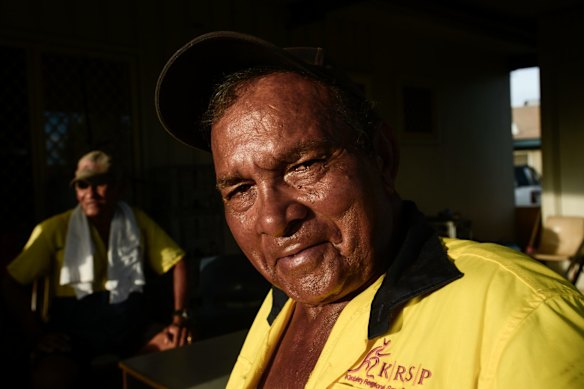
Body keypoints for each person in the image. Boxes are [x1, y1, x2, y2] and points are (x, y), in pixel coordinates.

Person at [155, 31, 584, 388]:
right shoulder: (280, 305)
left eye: (304, 165)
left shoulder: (522, 316)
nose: (272, 220)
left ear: (381, 158)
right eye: (240, 189)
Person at [1, 150, 194, 389]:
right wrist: (37, 336)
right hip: (73, 331)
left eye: (100, 183)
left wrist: (179, 317)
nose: (90, 193)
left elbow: (179, 262)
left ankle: (122, 373)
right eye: (82, 185)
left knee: (179, 344)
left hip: (130, 326)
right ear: (76, 191)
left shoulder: (136, 220)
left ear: (118, 188)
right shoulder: (53, 229)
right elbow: (11, 282)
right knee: (50, 377)